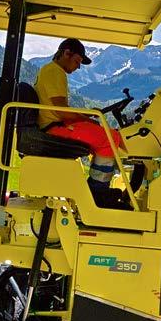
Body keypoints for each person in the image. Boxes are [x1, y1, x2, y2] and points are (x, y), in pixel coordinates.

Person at [34, 38, 125, 206]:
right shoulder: (55, 71)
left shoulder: (50, 70)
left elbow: (61, 108)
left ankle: (97, 187)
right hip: (54, 129)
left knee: (104, 136)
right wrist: (89, 121)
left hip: (54, 126)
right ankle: (98, 193)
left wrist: (87, 117)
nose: (78, 67)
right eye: (77, 61)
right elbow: (62, 111)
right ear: (66, 53)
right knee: (110, 138)